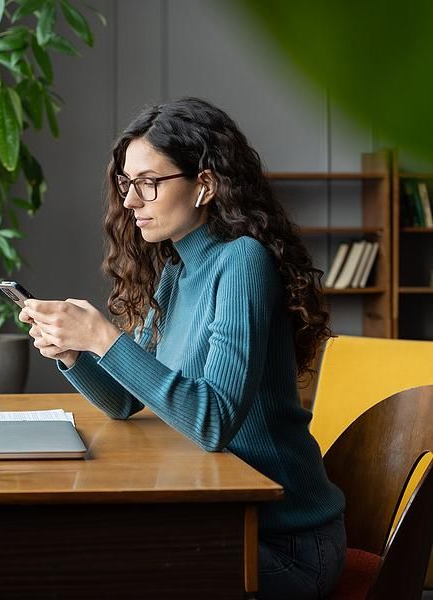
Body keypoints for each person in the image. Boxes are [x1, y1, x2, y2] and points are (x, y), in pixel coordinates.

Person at [19, 97, 346, 599]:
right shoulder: (177, 271)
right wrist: (73, 353)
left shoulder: (243, 262)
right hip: (227, 517)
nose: (131, 201)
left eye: (149, 182)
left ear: (205, 186)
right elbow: (124, 401)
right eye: (127, 183)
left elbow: (213, 421)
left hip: (287, 544)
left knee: (101, 560)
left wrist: (104, 336)